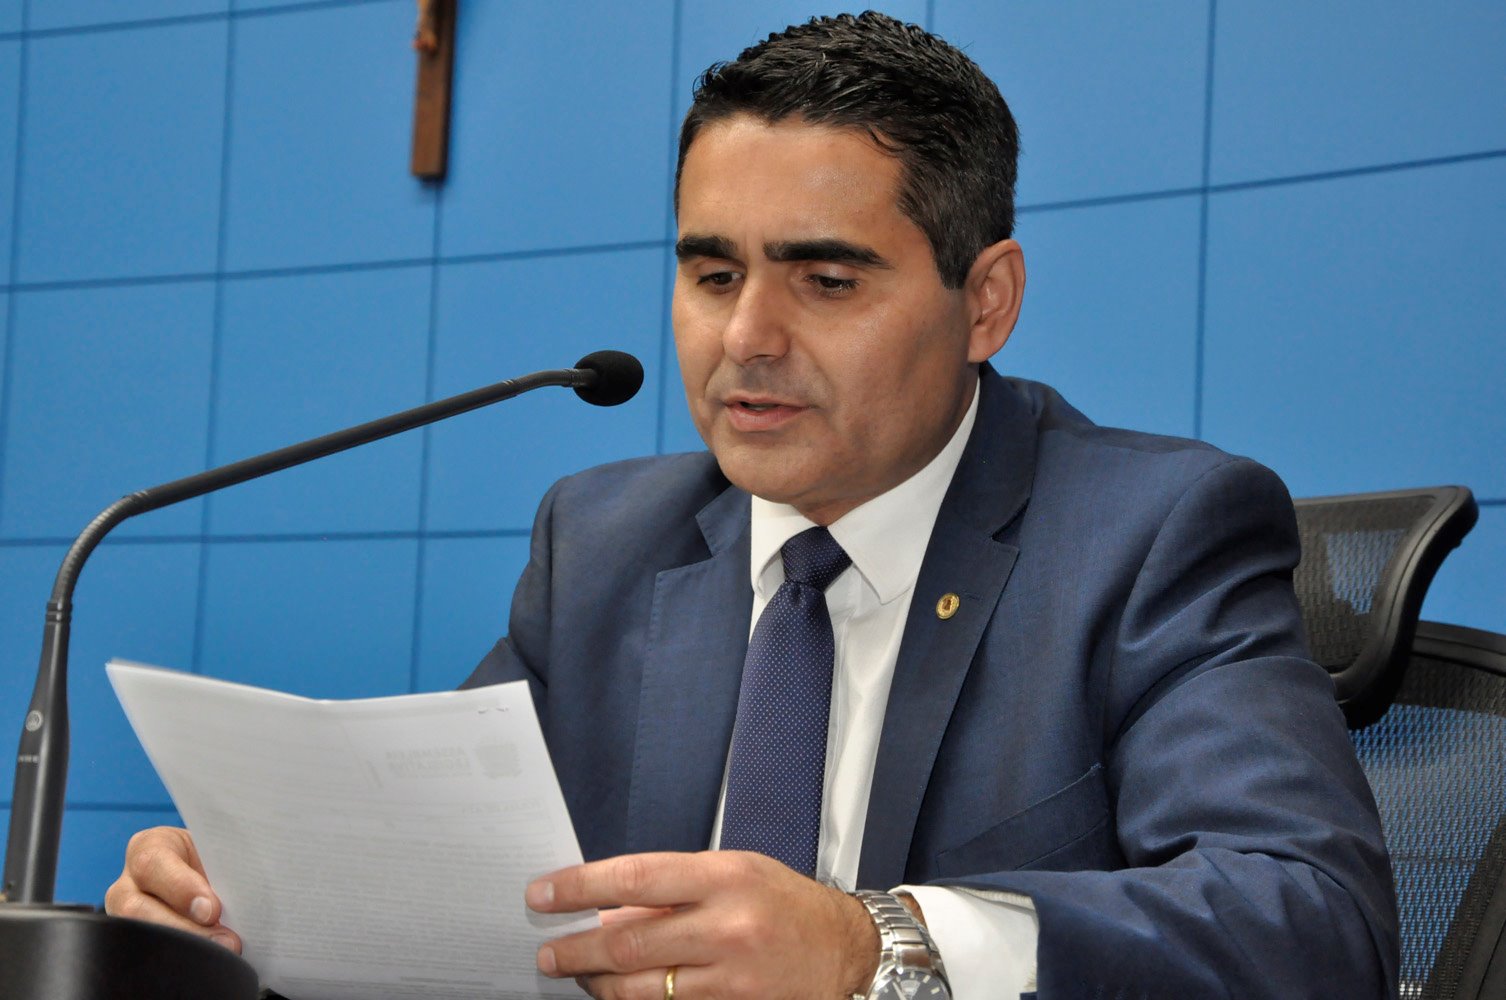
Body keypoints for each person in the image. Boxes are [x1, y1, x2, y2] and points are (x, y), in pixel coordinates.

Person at [106, 12, 1399, 999]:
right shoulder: (602, 546)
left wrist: (870, 946)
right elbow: (448, 881)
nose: (747, 339)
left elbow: (1311, 922)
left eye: (826, 282)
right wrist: (260, 897)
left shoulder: (1150, 535)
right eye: (712, 275)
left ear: (986, 302)